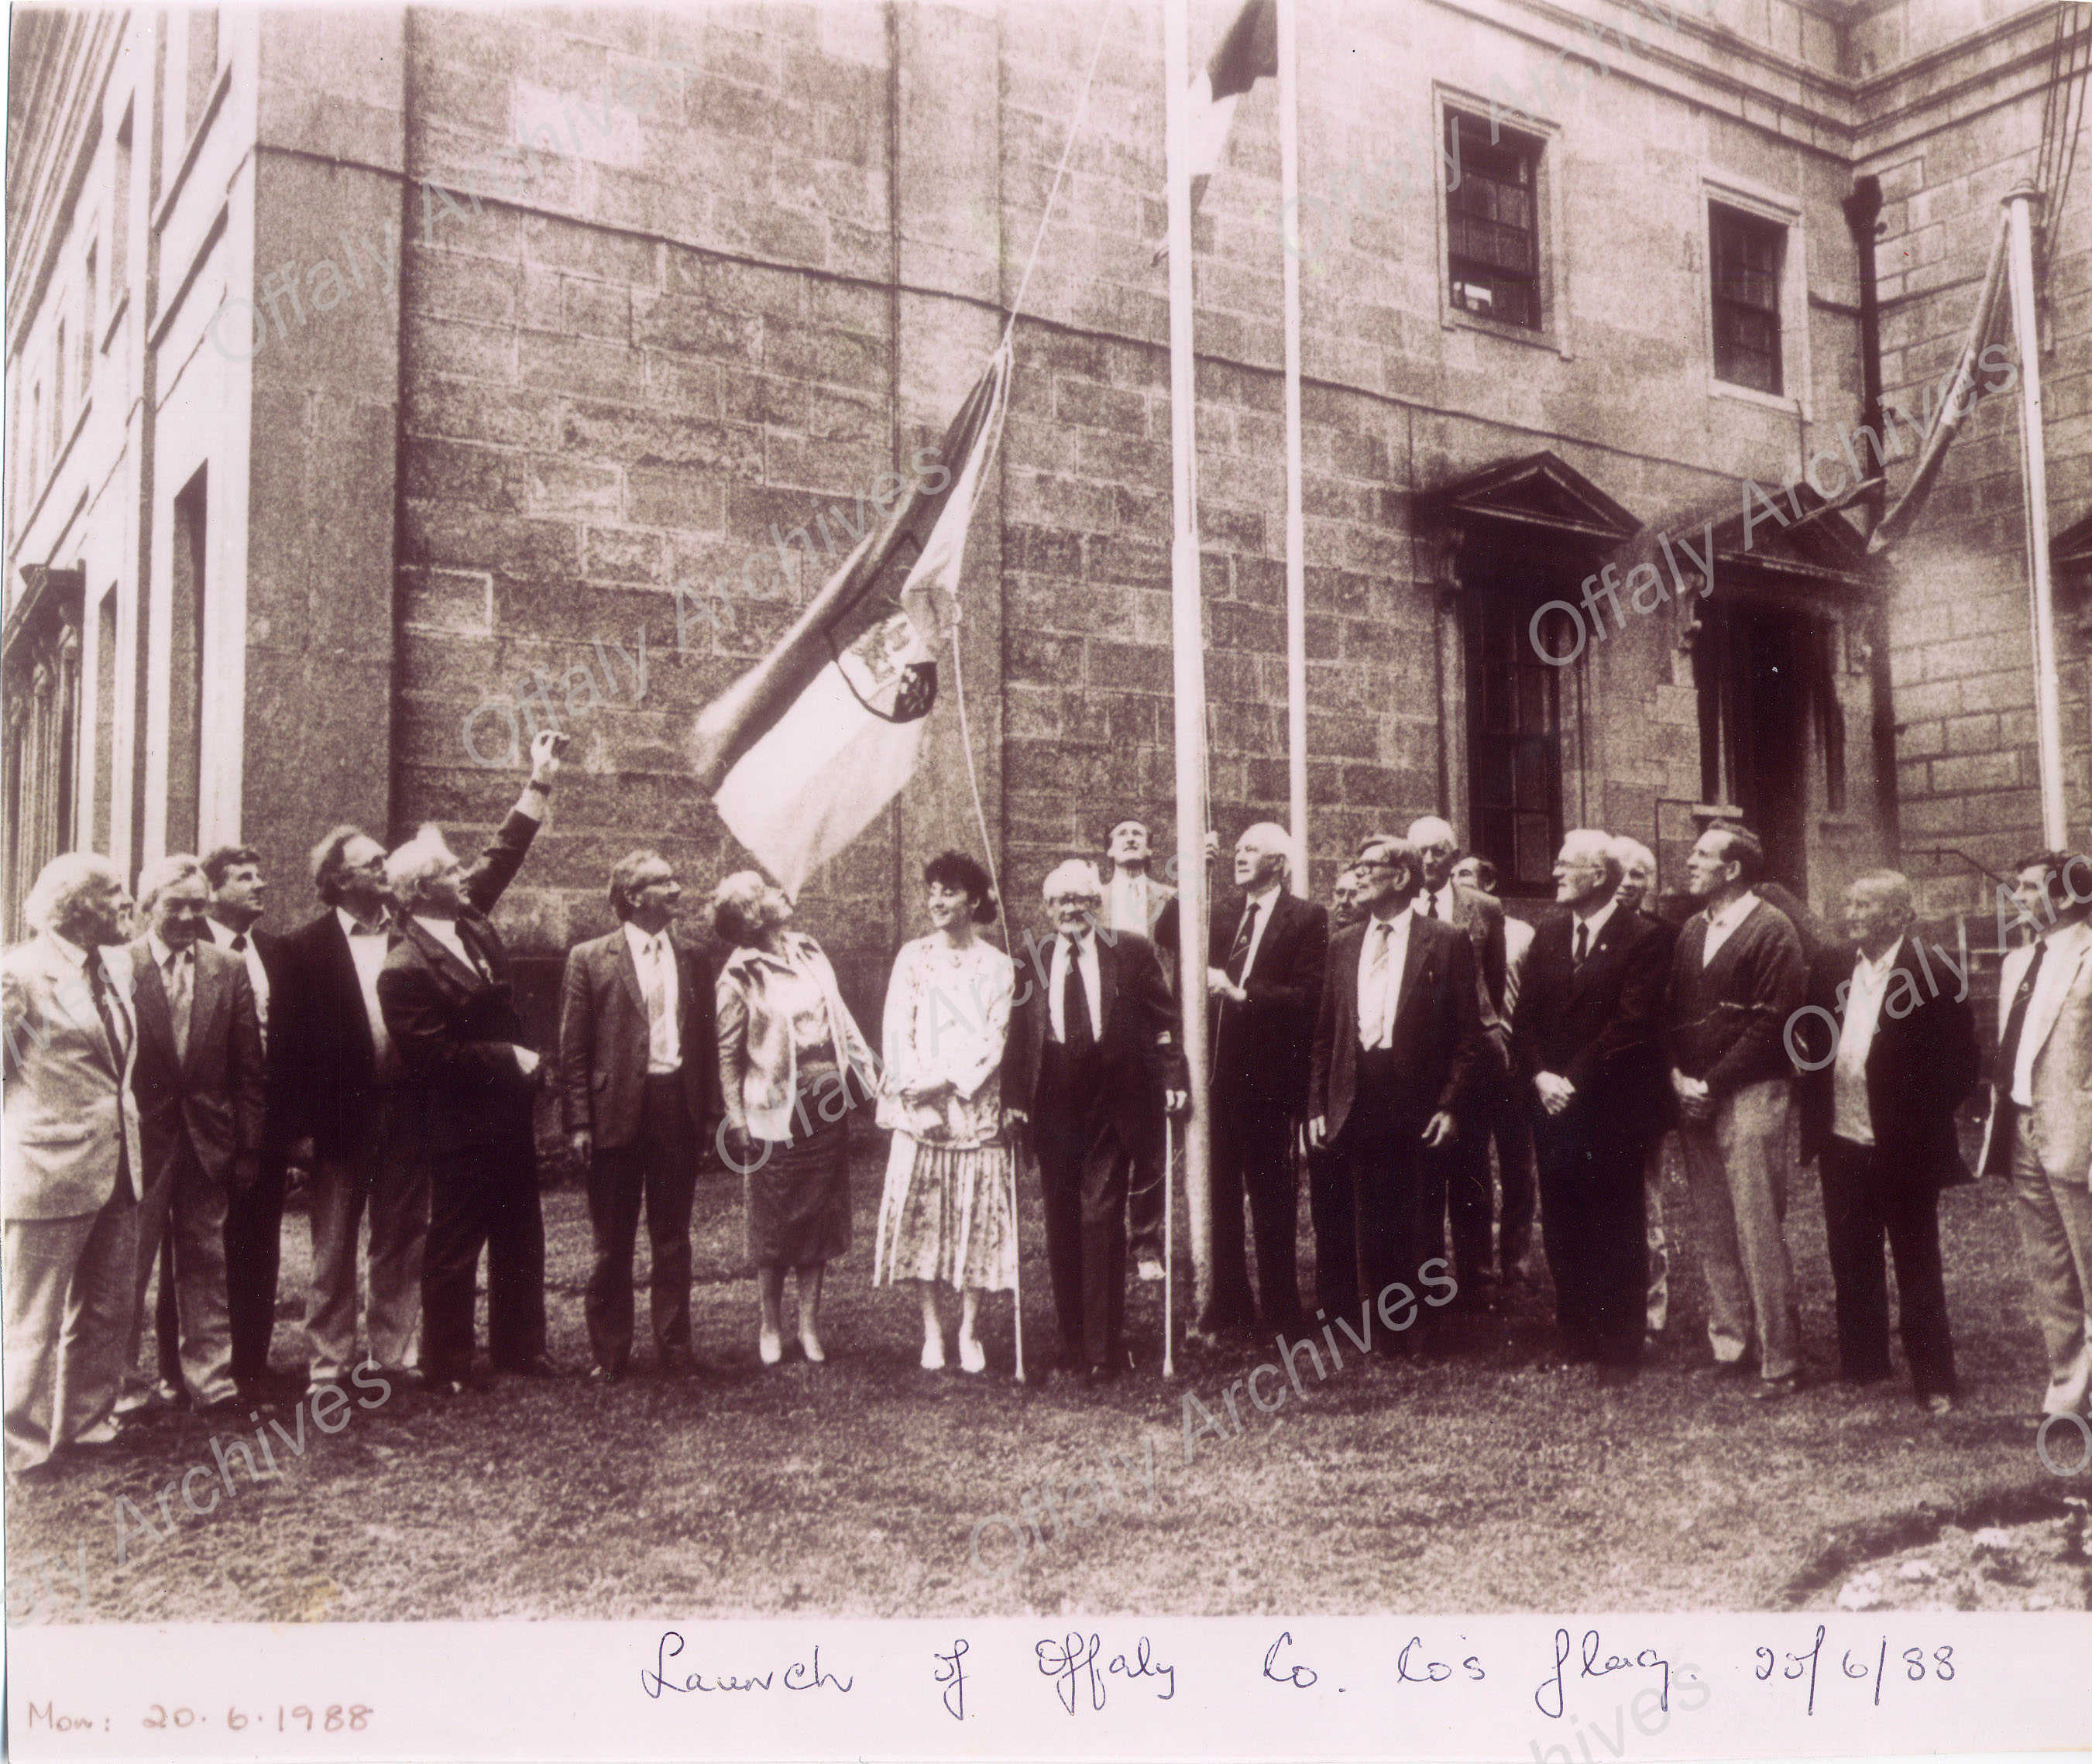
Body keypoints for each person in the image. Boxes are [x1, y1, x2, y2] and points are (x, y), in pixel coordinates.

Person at [379, 730, 565, 1395]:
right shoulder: (402, 968)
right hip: (458, 1121)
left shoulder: (467, 918)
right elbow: (430, 1060)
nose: (466, 875)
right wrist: (509, 1055)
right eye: (453, 871)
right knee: (455, 1242)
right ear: (421, 891)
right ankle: (447, 1362)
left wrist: (538, 781)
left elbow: (503, 853)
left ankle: (522, 1347)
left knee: (522, 1229)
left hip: (508, 1112)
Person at [1796, 871, 1977, 1414]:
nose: (1851, 912)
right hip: (1842, 1139)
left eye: (1865, 905)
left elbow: (1960, 1066)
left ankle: (1933, 1377)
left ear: (1898, 915)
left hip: (1904, 1147)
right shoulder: (1830, 965)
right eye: (1848, 902)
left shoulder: (1933, 971)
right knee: (1849, 1252)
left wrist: (1915, 1119)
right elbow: (1812, 1040)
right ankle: (1863, 1361)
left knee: (1915, 1257)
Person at [1004, 860, 1187, 1383]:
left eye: (1080, 900)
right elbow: (1017, 1037)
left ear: (1096, 904)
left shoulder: (1129, 951)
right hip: (1054, 1100)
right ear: (1046, 909)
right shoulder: (1031, 959)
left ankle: (1104, 1349)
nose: (1070, 910)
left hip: (1112, 1099)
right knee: (1062, 1220)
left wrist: (1174, 1077)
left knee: (1101, 1215)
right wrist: (1013, 1099)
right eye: (1060, 902)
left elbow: (1164, 1018)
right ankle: (1070, 1343)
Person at [1308, 835, 1486, 1347]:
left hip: (1417, 1097)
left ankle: (1422, 1328)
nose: (1358, 876)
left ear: (1402, 878)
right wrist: (1318, 1103)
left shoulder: (1445, 940)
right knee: (1371, 1212)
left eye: (1370, 868)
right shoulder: (1343, 944)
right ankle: (1382, 1326)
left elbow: (1467, 1037)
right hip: (1358, 1089)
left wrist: (1450, 1106)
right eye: (1357, 867)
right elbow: (1325, 1036)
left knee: (1421, 1209)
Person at [558, 850, 722, 1385]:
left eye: (675, 879)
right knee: (613, 1240)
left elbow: (705, 1043)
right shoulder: (589, 958)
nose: (677, 889)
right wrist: (579, 1122)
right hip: (613, 1113)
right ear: (632, 897)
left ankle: (675, 1349)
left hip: (676, 1106)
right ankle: (609, 1353)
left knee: (672, 1236)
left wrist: (711, 1112)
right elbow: (574, 1049)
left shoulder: (694, 955)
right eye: (663, 883)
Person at [2, 856, 142, 1479]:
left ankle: (88, 1425)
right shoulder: (19, 973)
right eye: (113, 891)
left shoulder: (116, 964)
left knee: (107, 1306)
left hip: (118, 1163)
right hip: (47, 1170)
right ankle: (19, 1444)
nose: (126, 901)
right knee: (31, 1315)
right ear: (76, 905)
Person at [1512, 832, 1668, 1381]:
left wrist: (1568, 1080)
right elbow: (1524, 1016)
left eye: (1563, 864)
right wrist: (1538, 1076)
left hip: (1608, 1105)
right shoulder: (1550, 933)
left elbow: (1629, 1025)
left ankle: (1620, 1345)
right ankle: (1576, 1335)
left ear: (1598, 875)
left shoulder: (1642, 938)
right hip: (1551, 1106)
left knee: (1615, 1222)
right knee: (1562, 1220)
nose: (1553, 872)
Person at [117, 856, 265, 1418]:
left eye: (195, 906)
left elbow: (248, 1067)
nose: (184, 916)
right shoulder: (119, 966)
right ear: (147, 905)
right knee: (129, 1269)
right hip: (142, 1144)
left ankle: (211, 1381)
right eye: (172, 904)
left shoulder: (226, 967)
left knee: (206, 1262)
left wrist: (247, 1146)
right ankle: (124, 1389)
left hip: (209, 1140)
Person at [713, 872, 879, 1367]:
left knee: (818, 1212)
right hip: (773, 1108)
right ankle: (770, 1322)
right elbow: (728, 1056)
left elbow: (841, 1019)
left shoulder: (809, 950)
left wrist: (867, 1081)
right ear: (750, 915)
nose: (781, 892)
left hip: (826, 1098)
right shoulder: (739, 974)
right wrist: (736, 1118)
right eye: (767, 892)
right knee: (775, 1214)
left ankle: (808, 1326)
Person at [271, 823, 416, 1394]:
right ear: (339, 879)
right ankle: (328, 1364)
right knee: (332, 1246)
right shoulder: (302, 948)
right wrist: (295, 1133)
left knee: (402, 1235)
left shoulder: (410, 935)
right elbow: (285, 1049)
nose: (387, 870)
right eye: (374, 864)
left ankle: (394, 1355)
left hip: (406, 1111)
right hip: (339, 1121)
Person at [1665, 823, 1807, 1399]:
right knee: (1714, 1227)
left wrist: (1711, 1082)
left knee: (1755, 1228)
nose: (1690, 862)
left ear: (1732, 870)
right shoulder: (1690, 932)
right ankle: (1731, 1344)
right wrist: (1677, 1076)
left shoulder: (1773, 931)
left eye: (1702, 855)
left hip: (1751, 1095)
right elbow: (1673, 1012)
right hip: (1694, 1097)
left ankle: (1781, 1361)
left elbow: (1774, 1022)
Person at [874, 852, 1019, 1374]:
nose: (937, 900)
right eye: (932, 889)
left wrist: (950, 1083)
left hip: (972, 1107)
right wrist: (918, 1093)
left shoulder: (999, 965)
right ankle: (932, 1332)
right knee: (926, 1220)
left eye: (950, 891)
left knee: (975, 1219)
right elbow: (897, 1029)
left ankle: (969, 1331)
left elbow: (994, 1037)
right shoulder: (912, 957)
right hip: (922, 1111)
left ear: (974, 900)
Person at [1197, 824, 1327, 1336]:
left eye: (1250, 849)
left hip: (1269, 1081)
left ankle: (1280, 1309)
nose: (1239, 856)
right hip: (1216, 1077)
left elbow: (1307, 996)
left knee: (1272, 1196)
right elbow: (1167, 928)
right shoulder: (1222, 911)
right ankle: (1230, 1301)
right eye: (1236, 849)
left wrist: (1241, 995)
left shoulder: (1306, 917)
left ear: (1278, 863)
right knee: (1219, 1195)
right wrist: (1197, 872)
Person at [1977, 851, 2092, 1424]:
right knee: (2049, 1270)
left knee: (2089, 1264)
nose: (2016, 898)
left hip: (2079, 1140)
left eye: (2027, 888)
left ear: (2065, 898)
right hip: (2024, 1130)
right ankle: (2068, 1400)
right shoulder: (2017, 961)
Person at [198, 843, 290, 1405]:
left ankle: (251, 1360)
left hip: (266, 1118)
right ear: (212, 890)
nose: (259, 885)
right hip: (206, 1117)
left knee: (260, 1237)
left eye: (260, 875)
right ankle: (188, 1363)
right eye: (243, 878)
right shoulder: (193, 944)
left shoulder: (274, 952)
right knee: (200, 1244)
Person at [1404, 817, 1510, 1301]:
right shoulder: (1399, 906)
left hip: (1470, 1050)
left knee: (1470, 1166)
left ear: (1453, 856)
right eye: (1421, 851)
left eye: (1439, 852)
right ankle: (1429, 1280)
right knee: (1422, 1172)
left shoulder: (1484, 908)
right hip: (1418, 1052)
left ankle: (1478, 1278)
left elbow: (1488, 982)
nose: (1430, 860)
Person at [1453, 850, 1537, 1283]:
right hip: (1475, 1058)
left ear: (1488, 884)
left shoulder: (1521, 932)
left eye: (1466, 874)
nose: (1457, 880)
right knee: (1472, 1160)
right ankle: (1476, 1262)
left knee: (1517, 1159)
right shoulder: (1449, 929)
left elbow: (1526, 993)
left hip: (1513, 1057)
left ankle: (1518, 1254)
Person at [1612, 837, 1678, 1338]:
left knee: (1643, 1199)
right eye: (1620, 873)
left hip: (1639, 1092)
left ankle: (1651, 1305)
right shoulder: (1575, 935)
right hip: (1588, 1091)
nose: (1627, 884)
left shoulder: (1662, 938)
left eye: (1638, 875)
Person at [1104, 819, 1176, 937]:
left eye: (1137, 833)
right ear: (1110, 850)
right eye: (1122, 834)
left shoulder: (1170, 898)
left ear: (1149, 850)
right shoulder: (1095, 900)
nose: (1130, 839)